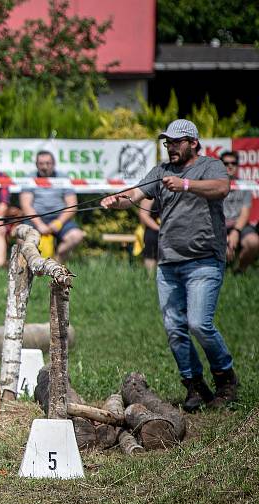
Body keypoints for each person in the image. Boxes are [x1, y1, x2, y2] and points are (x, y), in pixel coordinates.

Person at [101, 119, 237, 411]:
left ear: (193, 143)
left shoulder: (210, 166)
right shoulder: (160, 172)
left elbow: (222, 189)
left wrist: (186, 184)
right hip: (169, 263)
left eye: (176, 142)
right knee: (175, 328)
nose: (171, 148)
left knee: (199, 324)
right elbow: (135, 196)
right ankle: (195, 387)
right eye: (168, 143)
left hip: (204, 260)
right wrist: (117, 200)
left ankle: (226, 379)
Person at [21, 151, 85, 263]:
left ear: (54, 163)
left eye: (48, 163)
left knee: (77, 236)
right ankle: (34, 268)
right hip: (36, 219)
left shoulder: (63, 178)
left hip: (60, 219)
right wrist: (40, 225)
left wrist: (58, 223)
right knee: (22, 240)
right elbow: (26, 205)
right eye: (41, 163)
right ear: (36, 164)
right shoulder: (29, 178)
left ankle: (57, 263)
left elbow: (72, 205)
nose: (44, 167)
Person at [220, 151, 259, 272]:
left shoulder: (244, 185)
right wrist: (223, 235)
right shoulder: (214, 185)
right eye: (226, 163)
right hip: (219, 226)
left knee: (253, 242)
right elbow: (211, 214)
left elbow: (245, 213)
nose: (230, 166)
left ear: (237, 165)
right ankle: (222, 269)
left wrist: (236, 231)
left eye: (233, 163)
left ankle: (240, 270)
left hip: (239, 225)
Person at [137, 198, 160, 273]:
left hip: (171, 233)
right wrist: (159, 228)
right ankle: (149, 281)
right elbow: (143, 215)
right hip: (153, 233)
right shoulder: (151, 193)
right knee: (150, 257)